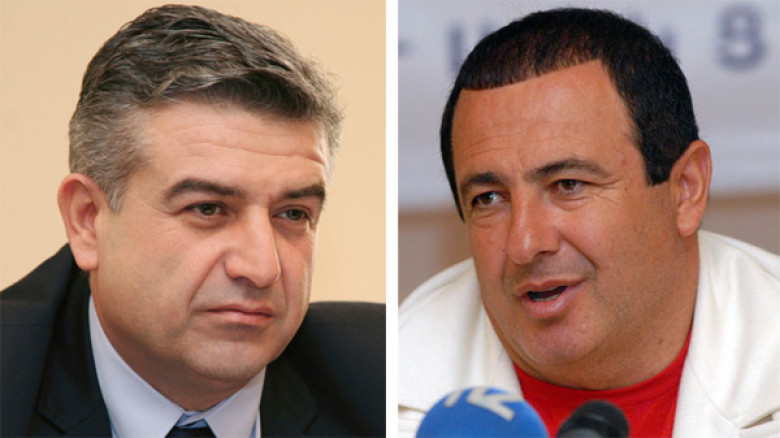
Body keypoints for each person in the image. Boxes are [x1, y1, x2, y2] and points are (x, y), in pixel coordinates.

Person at [0, 5, 384, 437]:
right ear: (88, 221)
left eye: (292, 214)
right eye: (208, 209)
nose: (262, 268)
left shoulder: (383, 385)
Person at [399, 8, 780, 438]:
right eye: (489, 198)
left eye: (568, 185)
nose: (525, 243)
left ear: (685, 189)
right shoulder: (391, 387)